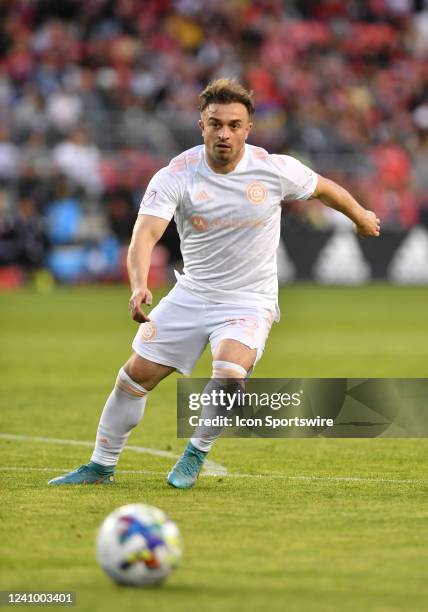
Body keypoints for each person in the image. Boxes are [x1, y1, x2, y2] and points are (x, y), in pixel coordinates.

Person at [49, 79, 380, 489]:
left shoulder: (275, 169)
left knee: (228, 372)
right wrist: (138, 285)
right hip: (192, 293)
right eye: (215, 123)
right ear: (201, 125)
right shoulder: (177, 174)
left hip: (249, 299)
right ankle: (100, 466)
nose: (224, 133)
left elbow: (325, 189)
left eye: (234, 125)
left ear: (248, 128)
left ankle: (195, 453)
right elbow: (144, 235)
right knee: (133, 378)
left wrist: (361, 214)